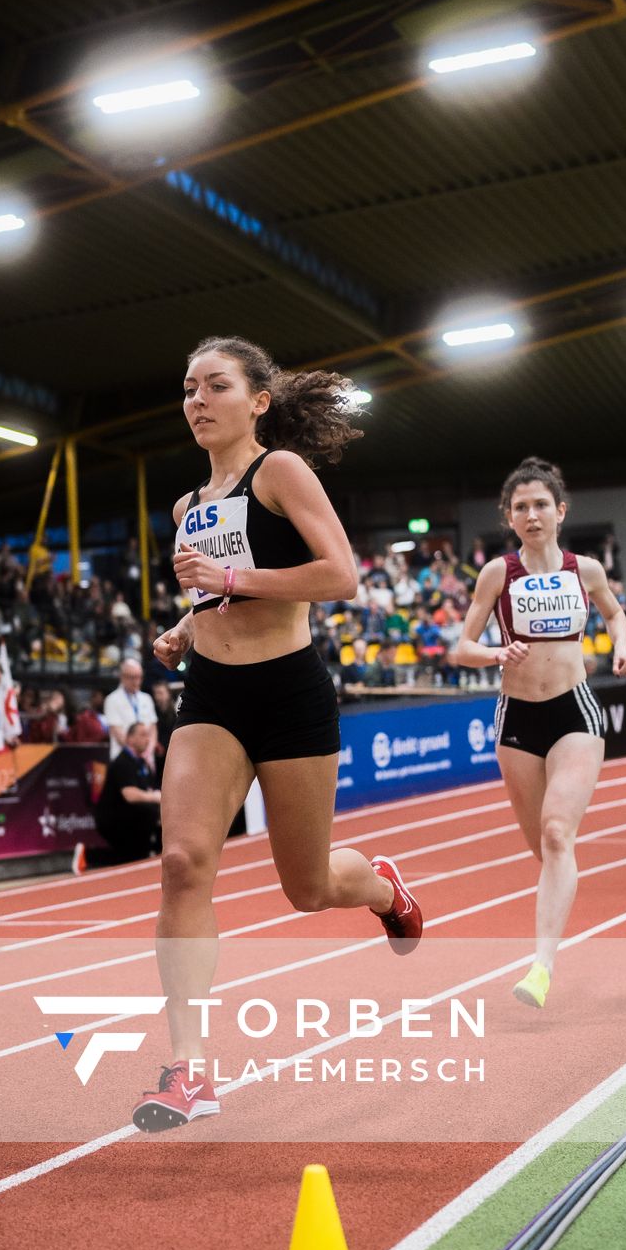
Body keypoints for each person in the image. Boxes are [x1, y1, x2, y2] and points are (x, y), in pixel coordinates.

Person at [131, 335, 422, 1134]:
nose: (195, 400)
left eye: (214, 385)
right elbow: (215, 598)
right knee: (185, 863)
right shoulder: (189, 507)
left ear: (257, 400)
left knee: (309, 888)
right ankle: (188, 1071)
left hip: (289, 694)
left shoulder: (282, 472)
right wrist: (185, 630)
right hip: (212, 697)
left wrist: (232, 580)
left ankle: (384, 887)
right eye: (187, 387)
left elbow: (340, 575)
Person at [455, 457, 626, 1010]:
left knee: (558, 833)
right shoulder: (497, 574)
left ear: (560, 512)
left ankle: (541, 967)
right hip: (516, 717)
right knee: (543, 847)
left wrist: (623, 647)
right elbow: (461, 647)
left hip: (573, 711)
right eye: (520, 507)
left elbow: (614, 613)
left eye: (540, 505)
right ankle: (558, 903)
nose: (531, 515)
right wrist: (494, 652)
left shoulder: (585, 570)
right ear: (509, 518)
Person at [95, 720, 162, 862]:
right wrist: (155, 797)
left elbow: (148, 788)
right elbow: (130, 795)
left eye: (148, 735)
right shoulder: (123, 762)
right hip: (114, 818)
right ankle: (90, 856)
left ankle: (153, 849)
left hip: (129, 815)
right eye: (143, 735)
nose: (147, 739)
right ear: (130, 739)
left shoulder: (142, 762)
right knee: (150, 811)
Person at [103, 657, 156, 761]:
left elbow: (153, 729)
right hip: (123, 758)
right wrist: (137, 752)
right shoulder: (111, 700)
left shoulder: (147, 698)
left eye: (139, 677)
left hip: (147, 758)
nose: (136, 681)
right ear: (123, 677)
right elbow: (118, 733)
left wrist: (148, 751)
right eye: (132, 677)